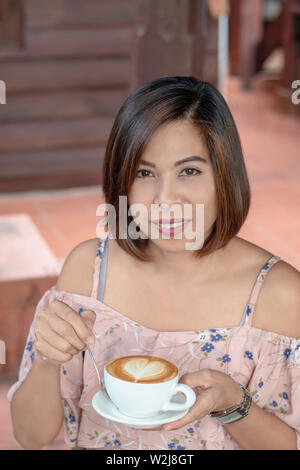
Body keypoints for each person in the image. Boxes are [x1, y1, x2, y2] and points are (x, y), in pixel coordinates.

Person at [8, 76, 300, 450]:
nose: (165, 200)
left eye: (189, 171)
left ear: (224, 176)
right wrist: (47, 362)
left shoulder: (279, 295)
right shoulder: (88, 272)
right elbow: (30, 437)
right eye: (145, 173)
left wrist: (233, 403)